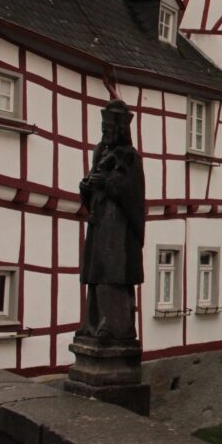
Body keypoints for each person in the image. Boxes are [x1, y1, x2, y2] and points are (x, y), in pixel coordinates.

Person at [77, 99, 145, 342]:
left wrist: (105, 183)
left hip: (118, 228)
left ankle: (114, 325)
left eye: (109, 129)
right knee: (95, 274)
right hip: (99, 222)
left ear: (121, 130)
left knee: (113, 274)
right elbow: (92, 184)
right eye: (103, 129)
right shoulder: (100, 152)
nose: (105, 133)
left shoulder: (130, 158)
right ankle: (92, 323)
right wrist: (85, 187)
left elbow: (132, 192)